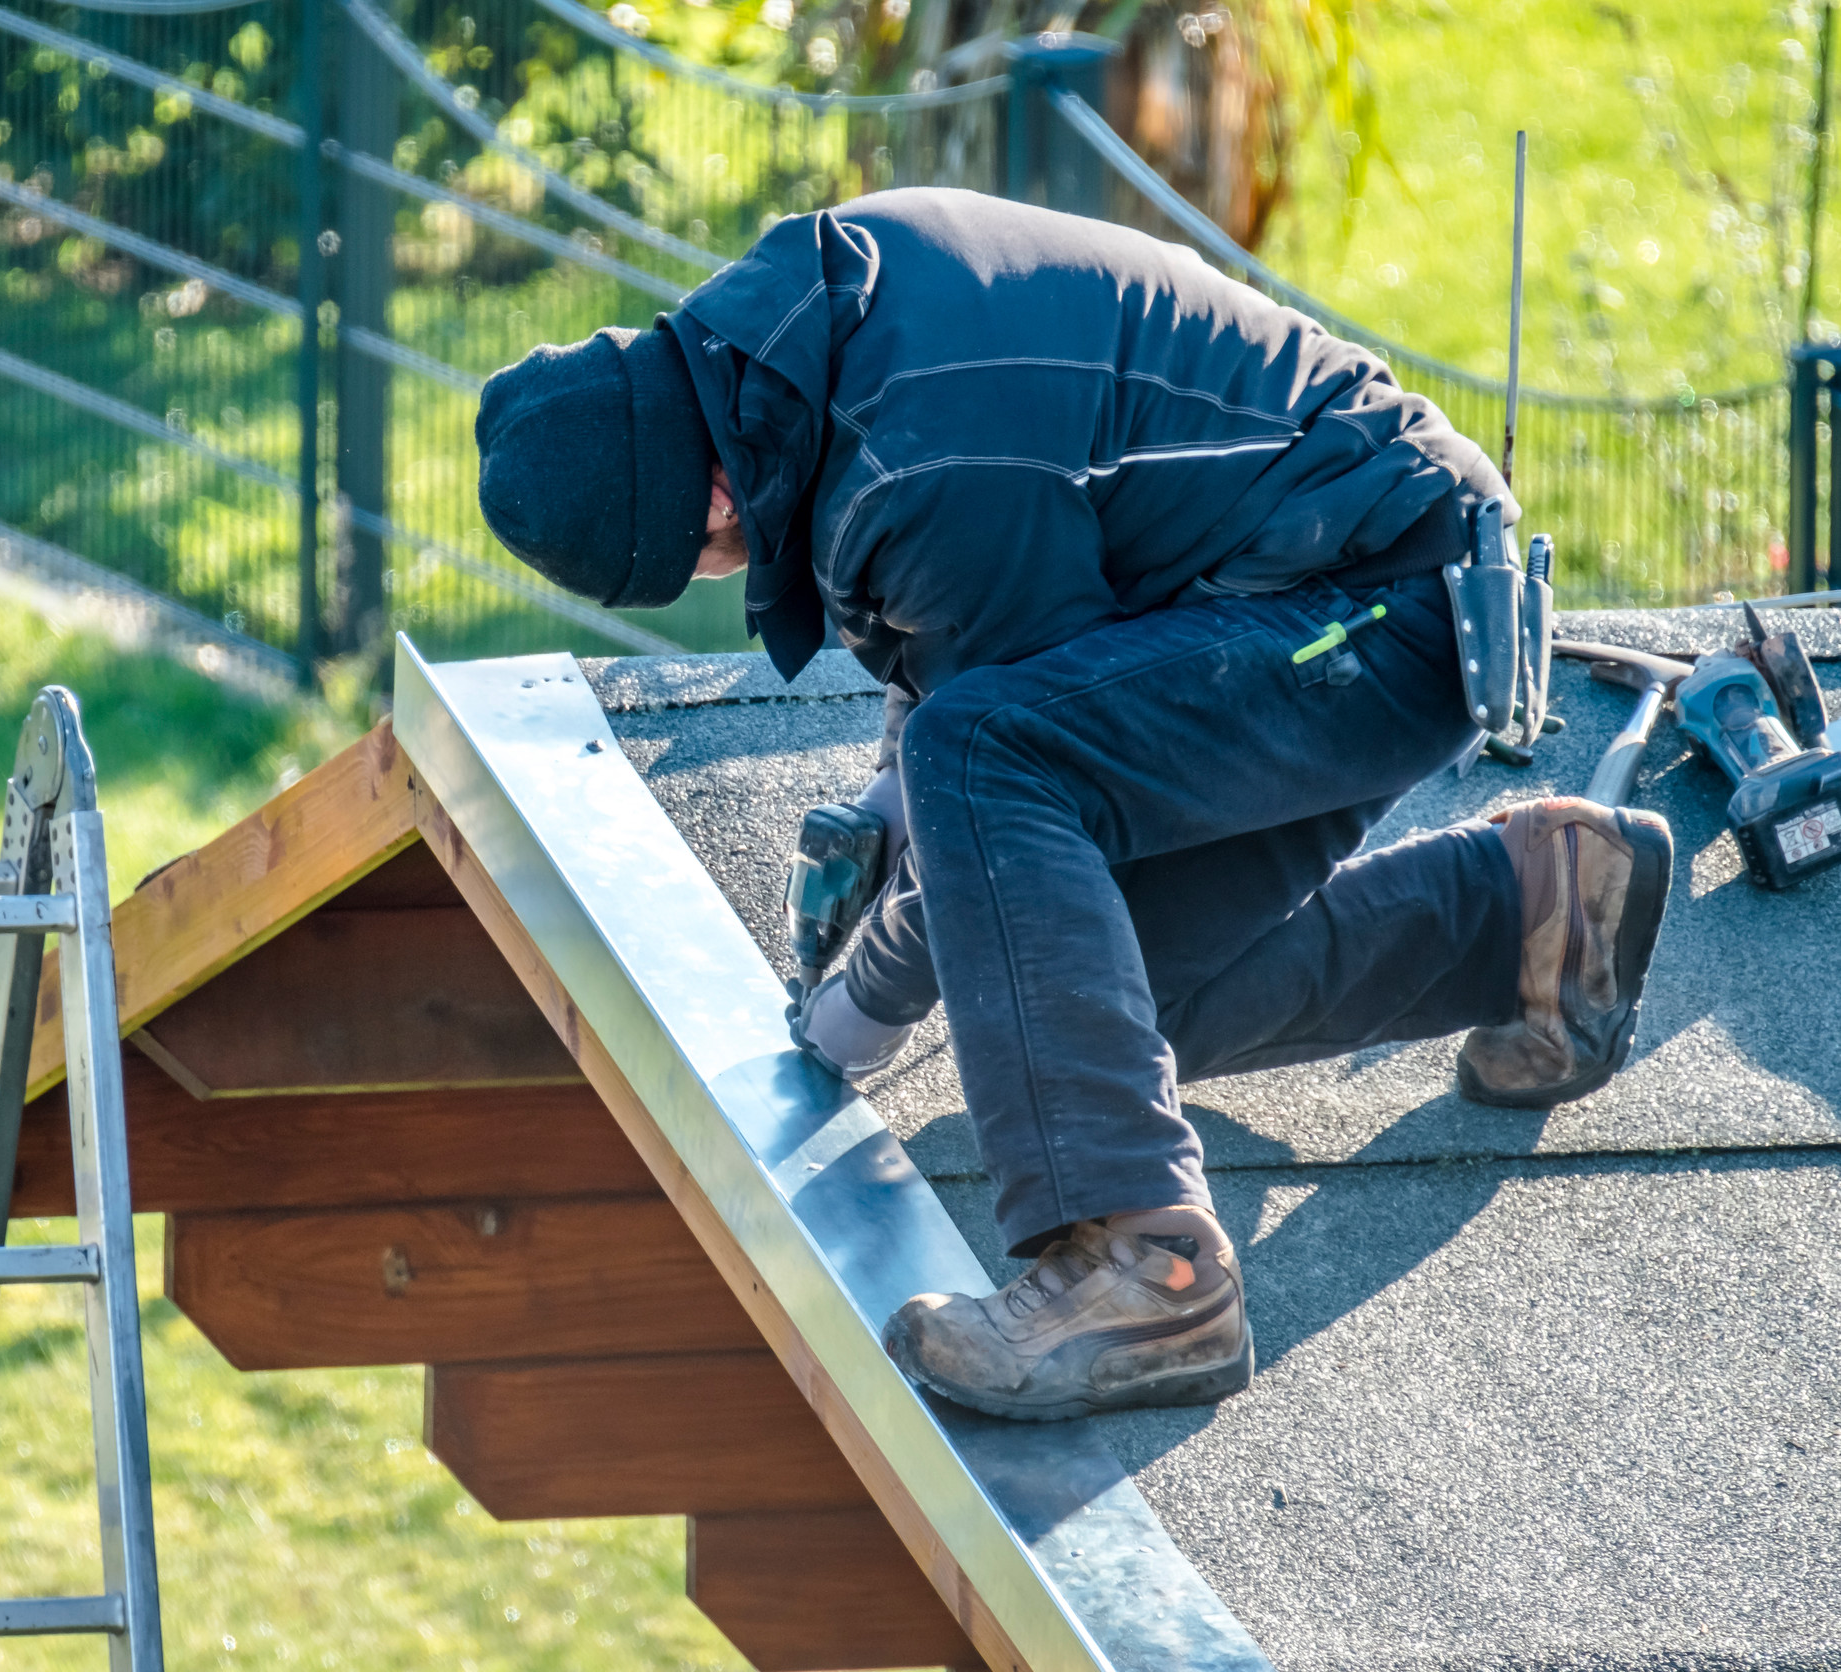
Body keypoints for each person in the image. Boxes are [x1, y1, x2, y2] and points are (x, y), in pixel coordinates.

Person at [470, 188, 1673, 1422]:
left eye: (703, 563)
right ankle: (1531, 913)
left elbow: (996, 771)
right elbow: (1000, 687)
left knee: (983, 778)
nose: (727, 572)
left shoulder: (917, 454)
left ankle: (1144, 1269)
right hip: (1311, 595)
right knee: (1088, 1014)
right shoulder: (833, 333)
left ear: (713, 503)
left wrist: (847, 1027)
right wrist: (888, 811)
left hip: (1375, 603)